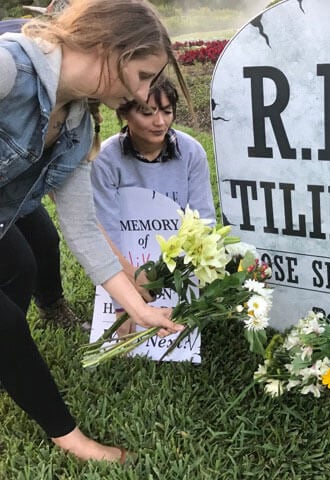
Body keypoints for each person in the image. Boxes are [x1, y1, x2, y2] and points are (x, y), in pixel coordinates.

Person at [0, 0, 190, 463]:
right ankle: (70, 438)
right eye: (144, 75)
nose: (147, 92)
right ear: (112, 50)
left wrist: (139, 311)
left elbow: (83, 230)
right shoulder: (9, 69)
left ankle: (10, 362)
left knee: (22, 263)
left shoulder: (77, 127)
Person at [91, 75, 216, 334]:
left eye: (167, 111)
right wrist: (122, 300)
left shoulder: (191, 152)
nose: (160, 122)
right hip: (127, 260)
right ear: (125, 113)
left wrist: (191, 274)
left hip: (177, 263)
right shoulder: (106, 159)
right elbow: (106, 230)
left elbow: (203, 219)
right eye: (147, 113)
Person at [0, 0, 84, 330]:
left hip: (14, 184)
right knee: (19, 264)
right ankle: (11, 344)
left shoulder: (70, 85)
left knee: (46, 238)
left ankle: (51, 305)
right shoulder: (15, 62)